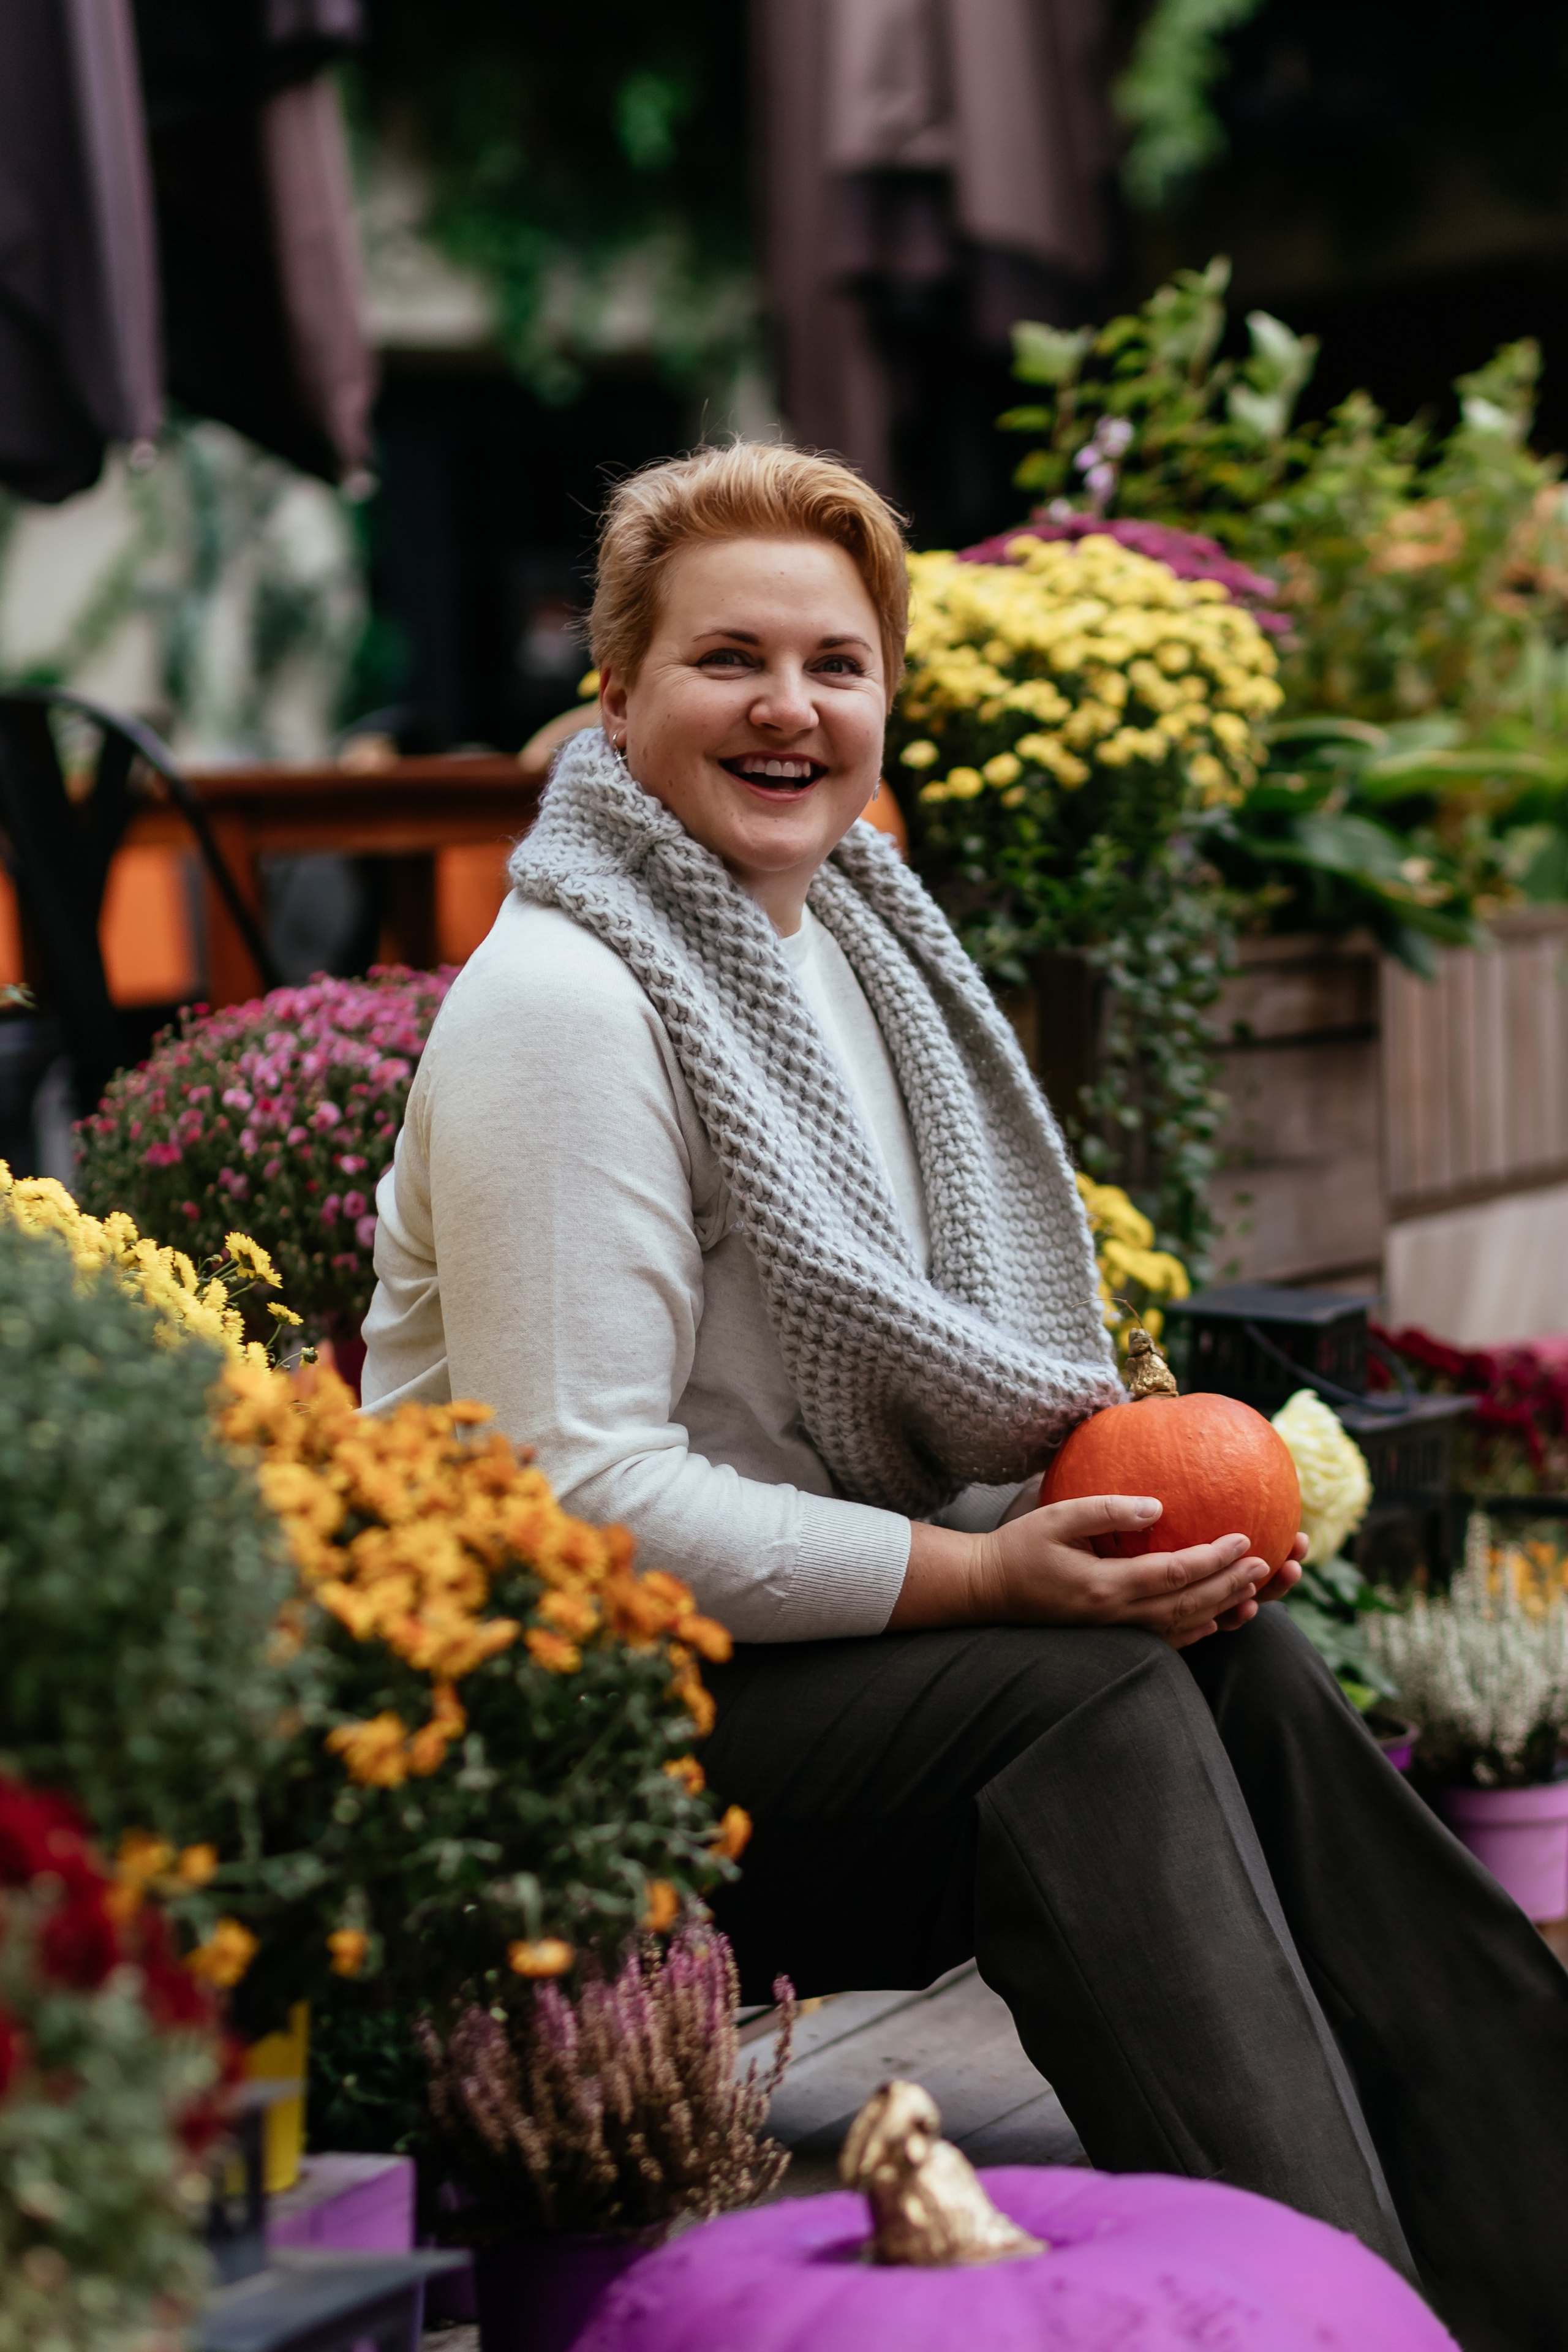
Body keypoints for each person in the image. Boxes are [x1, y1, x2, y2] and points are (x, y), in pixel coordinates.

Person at [362, 442, 1568, 2352]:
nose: (789, 708)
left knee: (1224, 1660)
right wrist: (988, 1580)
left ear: (887, 705)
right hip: (583, 1752)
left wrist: (1073, 1531)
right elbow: (575, 1505)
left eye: (838, 666)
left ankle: (1534, 2255)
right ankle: (1326, 2324)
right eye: (726, 659)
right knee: (1072, 1693)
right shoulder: (570, 1007)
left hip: (793, 1675)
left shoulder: (854, 951)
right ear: (616, 697)